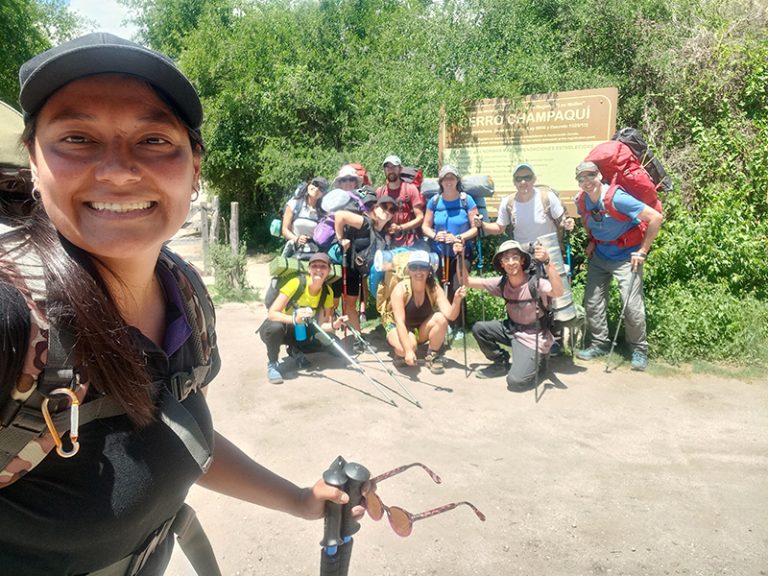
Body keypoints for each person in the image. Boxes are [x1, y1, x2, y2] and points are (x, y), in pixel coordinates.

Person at [0, 33, 357, 575]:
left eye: (153, 140)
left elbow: (184, 433)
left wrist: (299, 501)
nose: (118, 169)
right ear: (33, 160)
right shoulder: (15, 322)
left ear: (194, 170)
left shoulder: (183, 292)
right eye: (76, 137)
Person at [573, 160, 663, 371]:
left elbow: (656, 218)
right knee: (593, 302)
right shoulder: (582, 201)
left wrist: (642, 251)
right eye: (581, 178)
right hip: (600, 255)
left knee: (631, 305)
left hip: (626, 257)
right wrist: (592, 241)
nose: (587, 181)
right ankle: (599, 344)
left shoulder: (616, 197)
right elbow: (588, 221)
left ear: (600, 176)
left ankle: (639, 350)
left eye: (590, 176)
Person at [462, 240, 564, 389]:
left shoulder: (535, 283)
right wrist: (461, 254)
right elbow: (467, 281)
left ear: (522, 260)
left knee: (515, 382)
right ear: (501, 263)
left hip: (533, 335)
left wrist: (547, 262)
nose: (511, 262)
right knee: (479, 328)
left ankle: (540, 363)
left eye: (515, 257)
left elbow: (558, 292)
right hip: (511, 329)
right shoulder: (501, 283)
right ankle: (501, 363)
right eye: (506, 259)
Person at [260, 252, 345, 384]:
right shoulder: (296, 283)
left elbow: (322, 325)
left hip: (298, 330)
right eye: (315, 266)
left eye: (323, 267)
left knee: (314, 330)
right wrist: (294, 319)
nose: (318, 269)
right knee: (275, 327)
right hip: (276, 328)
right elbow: (272, 314)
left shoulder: (328, 292)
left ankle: (295, 350)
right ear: (309, 269)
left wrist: (335, 325)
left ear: (328, 270)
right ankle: (272, 363)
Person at [382, 250, 465, 374]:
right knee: (406, 348)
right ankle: (400, 354)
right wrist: (409, 351)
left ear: (429, 270)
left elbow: (451, 315)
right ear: (409, 270)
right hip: (398, 327)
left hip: (419, 329)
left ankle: (432, 355)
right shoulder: (400, 289)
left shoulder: (434, 288)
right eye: (414, 267)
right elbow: (399, 322)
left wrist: (457, 300)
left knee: (440, 318)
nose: (418, 271)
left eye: (423, 267)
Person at [334, 195, 396, 333]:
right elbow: (339, 216)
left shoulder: (384, 234)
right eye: (384, 206)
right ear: (376, 208)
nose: (387, 211)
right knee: (336, 304)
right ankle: (329, 336)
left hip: (359, 272)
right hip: (345, 265)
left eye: (392, 210)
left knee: (350, 304)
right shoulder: (365, 222)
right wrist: (340, 240)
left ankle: (358, 338)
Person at [477, 162, 575, 245]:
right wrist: (482, 224)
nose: (523, 182)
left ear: (534, 179)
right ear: (514, 182)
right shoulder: (507, 202)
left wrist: (567, 223)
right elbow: (499, 228)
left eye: (527, 177)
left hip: (549, 252)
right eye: (518, 179)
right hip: (523, 255)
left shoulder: (547, 197)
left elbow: (562, 221)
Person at [422, 165, 479, 304]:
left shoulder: (467, 200)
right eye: (445, 178)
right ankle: (446, 321)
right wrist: (435, 236)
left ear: (457, 180)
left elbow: (476, 228)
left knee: (457, 287)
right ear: (441, 181)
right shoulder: (434, 201)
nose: (449, 181)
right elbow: (425, 226)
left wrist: (458, 238)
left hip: (461, 252)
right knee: (442, 287)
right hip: (440, 252)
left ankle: (458, 322)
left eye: (452, 178)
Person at [376, 154, 425, 247]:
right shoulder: (380, 192)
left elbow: (420, 218)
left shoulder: (410, 189)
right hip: (386, 243)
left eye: (394, 167)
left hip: (409, 242)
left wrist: (400, 228)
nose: (390, 170)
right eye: (387, 167)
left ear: (400, 169)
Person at [280, 176, 327, 258]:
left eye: (321, 188)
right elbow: (285, 229)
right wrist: (297, 239)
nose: (316, 189)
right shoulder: (294, 204)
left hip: (315, 251)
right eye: (315, 184)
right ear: (309, 185)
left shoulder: (324, 212)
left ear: (323, 194)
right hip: (294, 249)